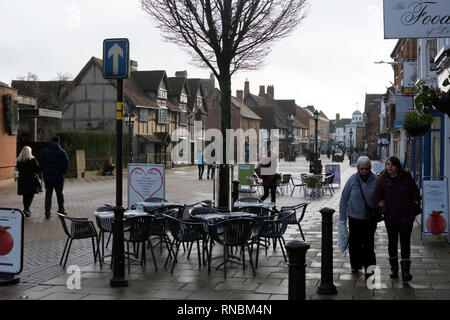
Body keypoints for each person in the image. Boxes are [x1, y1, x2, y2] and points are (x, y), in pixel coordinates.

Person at [373, 156, 421, 282]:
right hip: (391, 218)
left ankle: (406, 272)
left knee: (405, 243)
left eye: (392, 164)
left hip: (406, 217)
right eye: (388, 164)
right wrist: (383, 209)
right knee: (392, 243)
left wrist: (413, 204)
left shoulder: (406, 177)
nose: (390, 167)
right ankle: (394, 269)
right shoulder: (383, 179)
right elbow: (376, 197)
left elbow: (416, 192)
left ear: (397, 166)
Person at [339, 156, 378, 278]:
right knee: (355, 243)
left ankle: (369, 269)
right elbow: (344, 198)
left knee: (369, 244)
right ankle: (355, 265)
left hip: (370, 218)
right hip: (354, 217)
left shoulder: (376, 180)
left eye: (366, 168)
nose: (364, 171)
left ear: (370, 168)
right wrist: (342, 219)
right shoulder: (352, 179)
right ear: (358, 168)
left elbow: (382, 197)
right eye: (362, 169)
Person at [39, 136, 69, 219]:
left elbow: (41, 164)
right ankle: (61, 210)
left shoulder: (44, 151)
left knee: (48, 195)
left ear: (51, 142)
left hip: (48, 178)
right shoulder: (62, 152)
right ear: (58, 142)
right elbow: (66, 165)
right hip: (59, 178)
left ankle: (47, 213)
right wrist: (63, 172)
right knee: (59, 194)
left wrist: (44, 171)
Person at [16, 146, 42, 217]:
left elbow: (18, 169)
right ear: (29, 152)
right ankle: (27, 209)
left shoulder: (19, 160)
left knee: (25, 195)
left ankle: (26, 209)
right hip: (31, 180)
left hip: (22, 180)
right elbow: (38, 169)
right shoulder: (33, 160)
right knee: (30, 195)